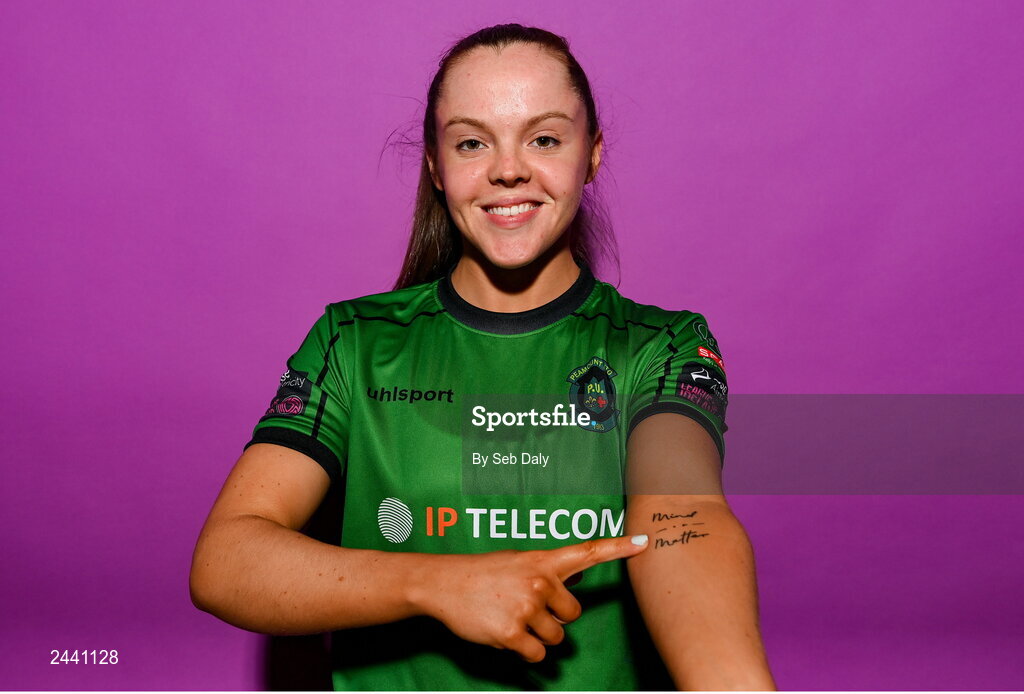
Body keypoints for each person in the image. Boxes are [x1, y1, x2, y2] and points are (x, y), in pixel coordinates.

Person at [190, 23, 775, 691]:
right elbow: (227, 560)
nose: (507, 169)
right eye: (472, 142)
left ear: (592, 155)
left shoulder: (660, 345)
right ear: (437, 166)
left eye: (545, 138)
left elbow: (684, 515)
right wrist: (440, 585)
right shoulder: (352, 343)